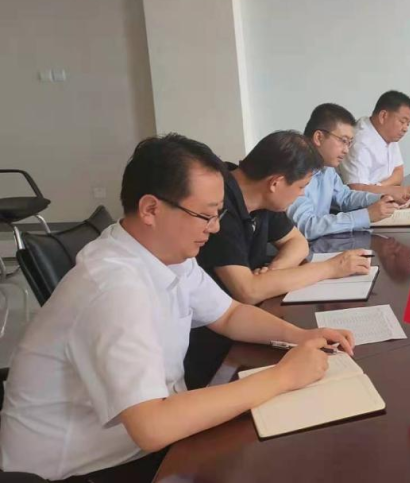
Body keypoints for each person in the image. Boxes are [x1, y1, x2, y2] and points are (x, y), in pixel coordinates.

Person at [0, 135, 355, 481]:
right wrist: (282, 377)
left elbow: (229, 314)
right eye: (205, 215)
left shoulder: (168, 255)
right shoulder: (113, 287)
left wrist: (300, 336)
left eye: (218, 213)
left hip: (145, 438)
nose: (215, 228)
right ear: (151, 209)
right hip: (80, 468)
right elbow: (152, 426)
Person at [196, 130, 372, 305]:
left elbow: (298, 242)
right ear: (275, 183)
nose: (302, 194)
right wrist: (330, 268)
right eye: (301, 186)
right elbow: (248, 291)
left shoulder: (263, 195)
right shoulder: (218, 204)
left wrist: (272, 273)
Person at [288, 103, 400, 240]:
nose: (346, 150)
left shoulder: (327, 169)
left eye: (349, 143)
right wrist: (367, 215)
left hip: (322, 243)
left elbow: (345, 197)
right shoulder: (294, 170)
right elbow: (307, 227)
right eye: (343, 141)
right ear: (318, 137)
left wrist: (381, 198)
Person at [338, 90, 410, 202]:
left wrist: (379, 187)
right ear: (383, 116)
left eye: (408, 124)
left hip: (382, 199)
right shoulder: (359, 142)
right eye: (402, 122)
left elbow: (399, 172)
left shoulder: (388, 134)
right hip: (359, 206)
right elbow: (357, 191)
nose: (405, 129)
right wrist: (407, 190)